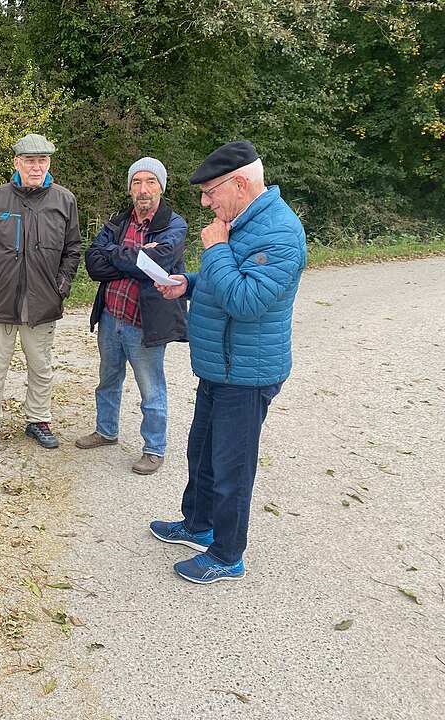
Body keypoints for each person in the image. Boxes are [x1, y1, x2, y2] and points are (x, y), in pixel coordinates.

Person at [149, 140, 306, 584]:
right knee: (201, 452)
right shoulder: (242, 221)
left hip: (247, 373)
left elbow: (246, 301)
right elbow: (229, 278)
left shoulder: (279, 232)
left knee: (231, 468)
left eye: (210, 192)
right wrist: (189, 282)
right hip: (220, 365)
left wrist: (215, 249)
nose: (205, 202)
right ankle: (198, 525)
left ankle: (227, 554)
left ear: (239, 184)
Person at [0, 133, 81, 453]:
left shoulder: (64, 200)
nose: (36, 167)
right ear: (16, 163)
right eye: (30, 160)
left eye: (42, 160)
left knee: (40, 367)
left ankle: (38, 419)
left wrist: (61, 287)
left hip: (42, 302)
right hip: (1, 301)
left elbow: (73, 250)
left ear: (49, 163)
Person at [76, 157, 187, 475]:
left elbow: (159, 262)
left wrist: (115, 254)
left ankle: (154, 448)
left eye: (150, 182)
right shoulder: (118, 222)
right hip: (111, 316)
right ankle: (106, 431)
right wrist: (136, 259)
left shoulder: (174, 225)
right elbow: (93, 261)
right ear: (130, 188)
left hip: (144, 322)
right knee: (108, 379)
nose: (143, 189)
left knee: (151, 388)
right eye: (137, 182)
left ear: (161, 187)